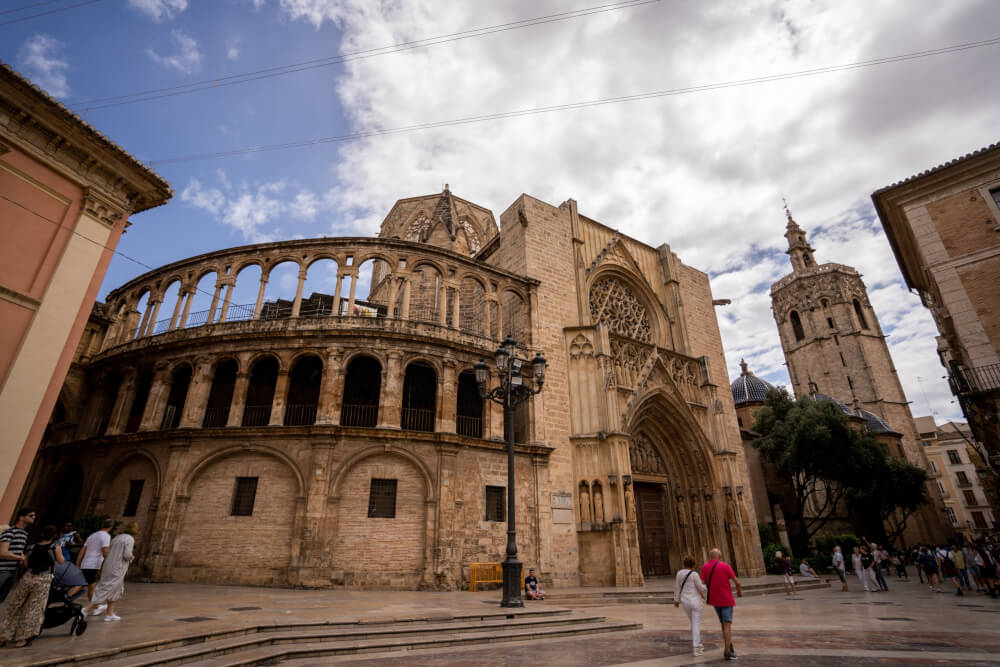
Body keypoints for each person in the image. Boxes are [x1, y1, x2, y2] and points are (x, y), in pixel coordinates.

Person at [0, 524, 63, 648]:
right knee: (33, 608)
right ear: (54, 535)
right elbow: (61, 561)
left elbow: (26, 564)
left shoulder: (31, 547)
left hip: (27, 577)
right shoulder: (55, 546)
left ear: (41, 534)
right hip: (43, 579)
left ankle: (2, 635)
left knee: (14, 605)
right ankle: (22, 638)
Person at [82, 522, 137, 622]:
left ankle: (110, 614)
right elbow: (127, 555)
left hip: (109, 565)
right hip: (118, 567)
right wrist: (132, 557)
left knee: (115, 588)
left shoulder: (117, 537)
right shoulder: (129, 539)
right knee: (107, 587)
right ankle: (86, 609)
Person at [700, 548, 742, 661]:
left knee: (723, 624)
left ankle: (729, 644)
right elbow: (737, 582)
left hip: (714, 600)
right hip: (726, 599)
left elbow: (702, 583)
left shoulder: (705, 567)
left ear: (710, 557)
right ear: (720, 556)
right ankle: (727, 651)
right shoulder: (725, 566)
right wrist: (739, 592)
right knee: (727, 624)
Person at [673, 556, 707, 657]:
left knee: (693, 623)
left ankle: (699, 644)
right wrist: (706, 586)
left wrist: (676, 599)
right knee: (695, 623)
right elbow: (700, 588)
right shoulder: (694, 574)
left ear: (684, 564)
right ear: (694, 565)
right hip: (696, 602)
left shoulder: (679, 573)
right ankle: (696, 647)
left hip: (685, 602)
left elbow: (677, 587)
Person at [0, 507, 35, 603]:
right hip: (3, 570)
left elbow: (18, 551)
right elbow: (3, 553)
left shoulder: (24, 534)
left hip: (14, 571)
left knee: (2, 598)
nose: (34, 517)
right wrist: (21, 557)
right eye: (31, 515)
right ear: (21, 518)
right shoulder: (10, 532)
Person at [77, 518, 113, 601]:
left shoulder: (92, 535)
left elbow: (82, 550)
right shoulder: (106, 536)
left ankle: (94, 606)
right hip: (93, 564)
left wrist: (78, 563)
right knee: (84, 585)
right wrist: (109, 563)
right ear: (111, 527)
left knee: (90, 586)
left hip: (85, 563)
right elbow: (105, 551)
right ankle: (66, 597)